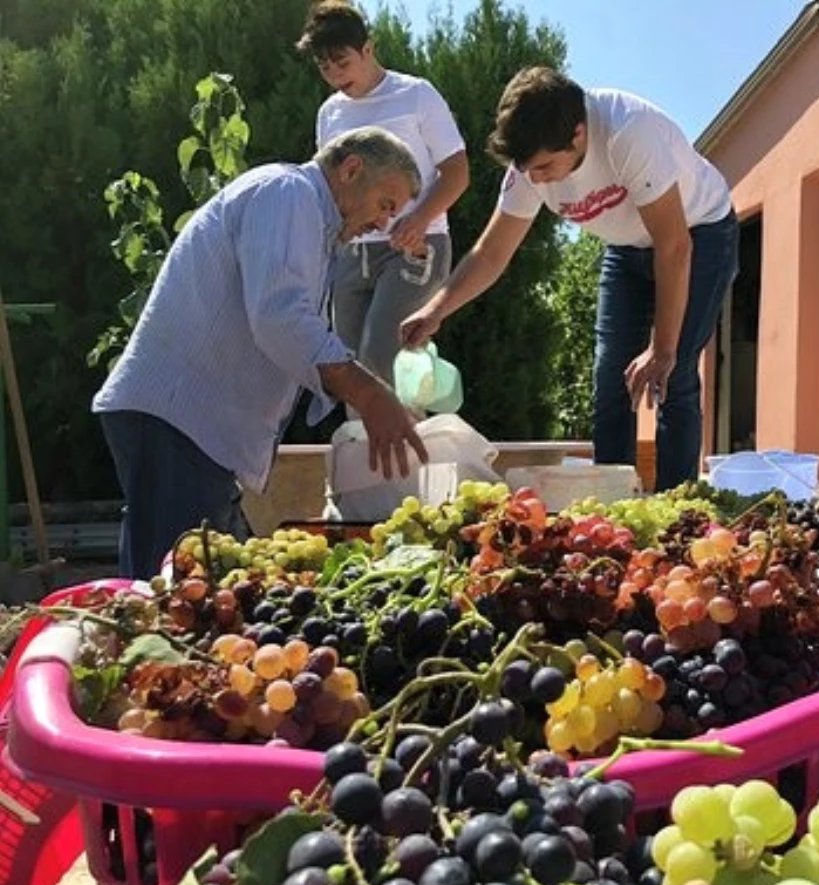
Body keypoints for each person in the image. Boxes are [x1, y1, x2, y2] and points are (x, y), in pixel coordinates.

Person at [92, 126, 430, 578]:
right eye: (386, 204)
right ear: (352, 169)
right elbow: (280, 317)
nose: (384, 223)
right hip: (179, 424)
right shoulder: (289, 194)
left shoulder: (306, 218)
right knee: (171, 600)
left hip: (193, 431)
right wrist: (368, 394)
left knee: (203, 592)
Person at [399, 66, 739, 491]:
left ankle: (678, 504)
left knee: (672, 371)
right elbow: (492, 253)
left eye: (545, 167)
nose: (536, 179)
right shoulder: (529, 168)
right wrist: (435, 310)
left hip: (700, 232)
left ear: (579, 134)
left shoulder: (627, 132)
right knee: (611, 375)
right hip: (627, 245)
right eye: (528, 170)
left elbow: (674, 246)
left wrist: (662, 346)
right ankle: (615, 510)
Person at [297, 1, 469, 390]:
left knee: (381, 355)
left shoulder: (416, 95)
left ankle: (406, 449)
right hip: (352, 251)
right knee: (347, 367)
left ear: (368, 49)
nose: (335, 75)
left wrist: (419, 219)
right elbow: (331, 189)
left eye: (342, 62)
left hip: (415, 244)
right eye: (324, 67)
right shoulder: (329, 114)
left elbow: (458, 172)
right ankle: (379, 447)